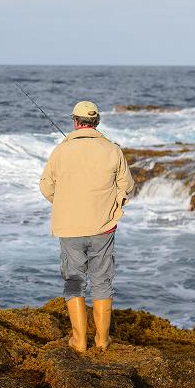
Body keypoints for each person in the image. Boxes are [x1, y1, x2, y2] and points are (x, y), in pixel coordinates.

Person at [39, 101, 134, 353]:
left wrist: (65, 203)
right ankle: (102, 341)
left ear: (75, 122)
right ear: (97, 122)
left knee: (74, 280)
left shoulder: (61, 151)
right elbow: (127, 187)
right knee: (102, 280)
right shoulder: (113, 150)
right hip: (103, 227)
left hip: (70, 227)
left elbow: (46, 187)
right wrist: (113, 206)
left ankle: (79, 341)